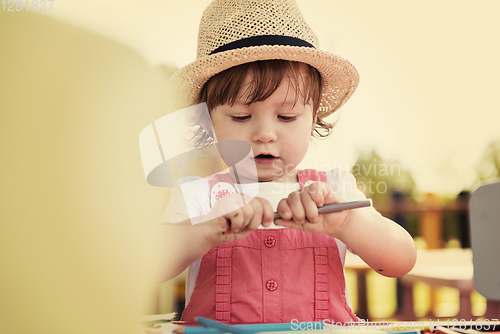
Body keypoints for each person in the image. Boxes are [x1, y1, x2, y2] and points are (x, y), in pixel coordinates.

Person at [159, 0, 416, 324]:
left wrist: (348, 223)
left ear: (313, 119)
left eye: (287, 116)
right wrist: (207, 228)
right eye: (240, 116)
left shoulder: (333, 190)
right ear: (208, 123)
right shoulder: (196, 195)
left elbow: (401, 260)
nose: (265, 134)